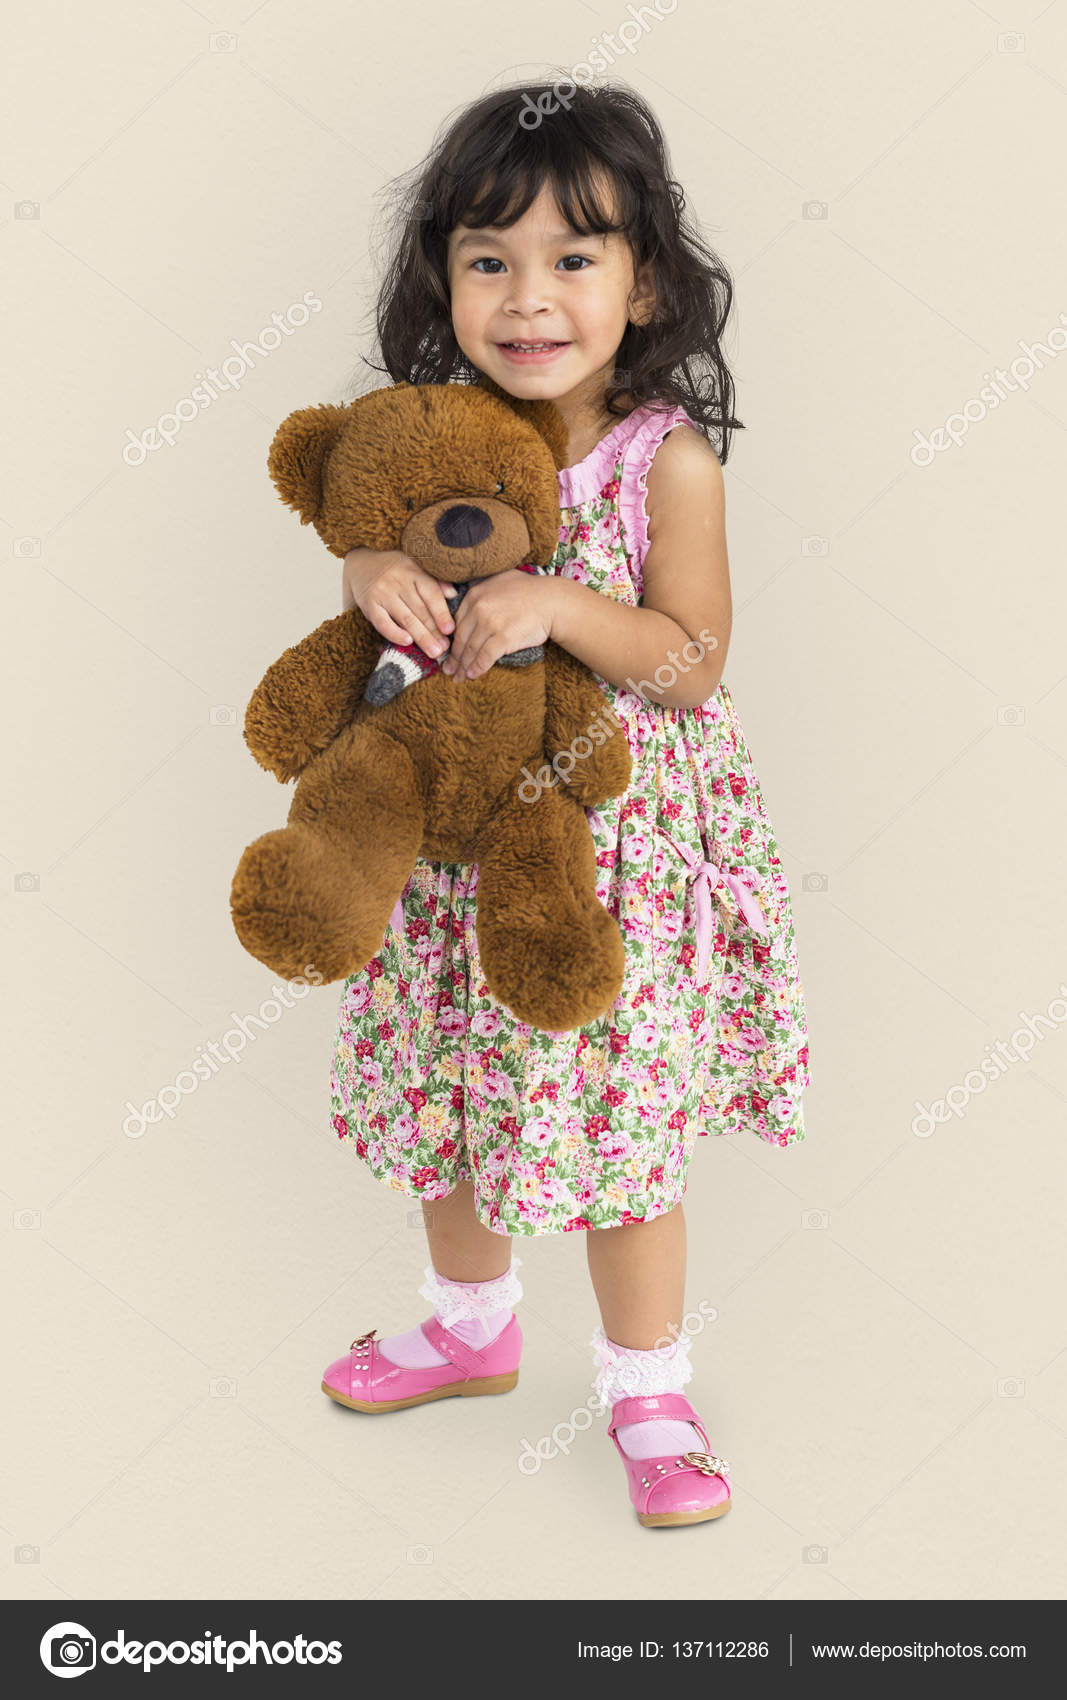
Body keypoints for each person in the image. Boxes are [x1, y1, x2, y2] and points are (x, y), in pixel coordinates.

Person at [320, 80, 810, 1529]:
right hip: (456, 847)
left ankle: (649, 1385)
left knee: (616, 1117)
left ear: (644, 279)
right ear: (444, 280)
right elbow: (365, 544)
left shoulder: (672, 460)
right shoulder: (430, 436)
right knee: (455, 1088)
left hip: (619, 866)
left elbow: (692, 660)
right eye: (490, 260)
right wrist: (368, 578)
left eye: (574, 259)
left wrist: (557, 600)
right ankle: (470, 1325)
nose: (529, 299)